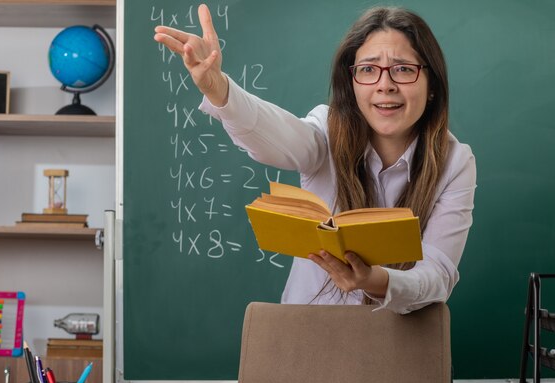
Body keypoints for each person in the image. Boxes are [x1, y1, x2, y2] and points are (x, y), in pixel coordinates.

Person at [154, 4, 476, 314]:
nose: (385, 85)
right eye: (368, 70)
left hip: (398, 344)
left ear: (431, 85)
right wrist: (219, 89)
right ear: (351, 84)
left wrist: (372, 280)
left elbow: (438, 276)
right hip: (308, 337)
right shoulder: (326, 131)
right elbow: (276, 136)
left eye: (403, 69)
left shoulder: (454, 161)